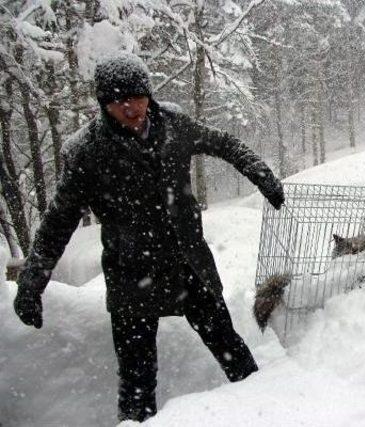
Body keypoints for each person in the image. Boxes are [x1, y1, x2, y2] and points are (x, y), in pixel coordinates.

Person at [12, 53, 285, 422]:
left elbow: (224, 143)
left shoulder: (173, 124)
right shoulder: (86, 152)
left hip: (188, 267)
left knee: (231, 351)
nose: (130, 107)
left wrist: (261, 174)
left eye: (137, 97)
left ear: (148, 95)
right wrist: (32, 281)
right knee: (137, 382)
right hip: (130, 278)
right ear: (103, 105)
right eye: (118, 101)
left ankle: (272, 413)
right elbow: (58, 222)